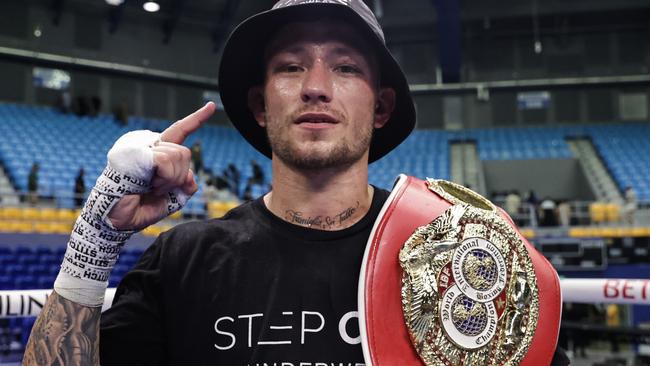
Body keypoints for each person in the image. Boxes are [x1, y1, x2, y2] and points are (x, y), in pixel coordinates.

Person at [24, 1, 567, 365]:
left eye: (346, 68)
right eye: (290, 66)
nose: (316, 87)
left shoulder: (456, 251)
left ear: (380, 108)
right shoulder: (183, 260)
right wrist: (95, 241)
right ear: (261, 105)